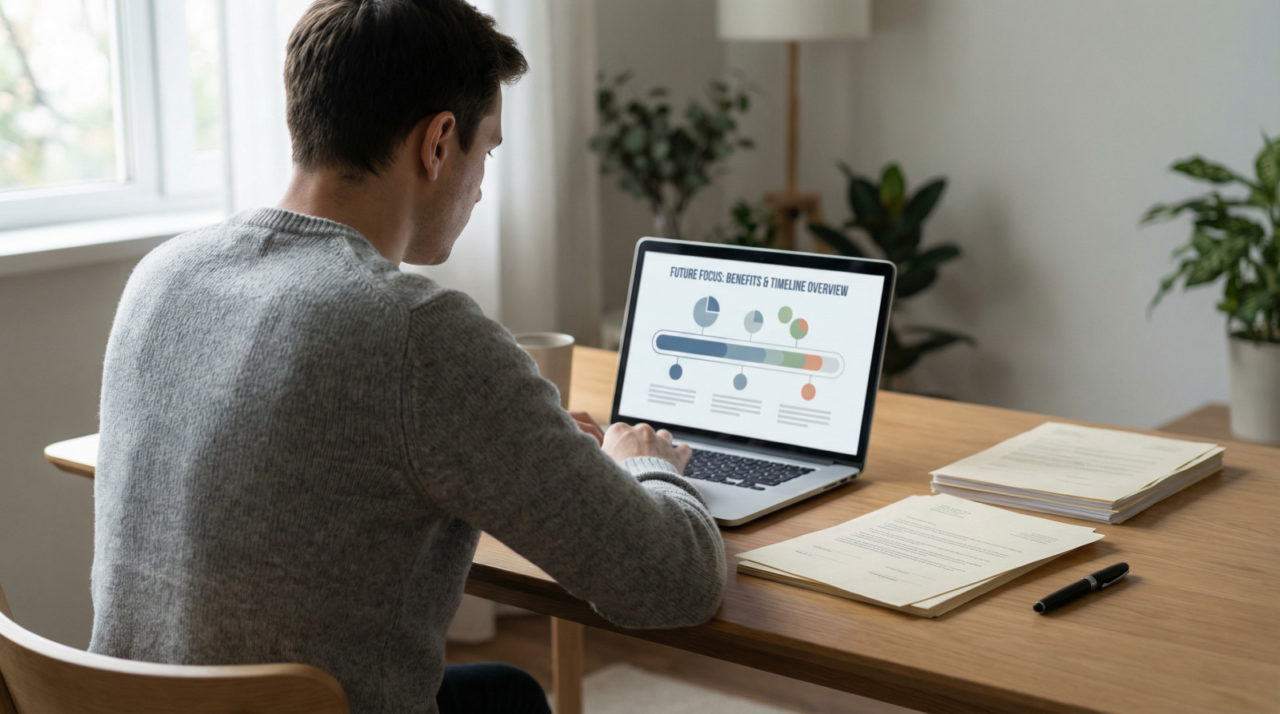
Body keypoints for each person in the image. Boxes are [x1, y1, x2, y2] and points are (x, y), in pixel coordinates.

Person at [88, 1, 727, 713]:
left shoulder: (162, 274)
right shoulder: (418, 334)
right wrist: (642, 464)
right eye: (486, 151)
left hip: (127, 702)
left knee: (507, 694)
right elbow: (674, 583)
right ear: (437, 143)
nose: (481, 183)